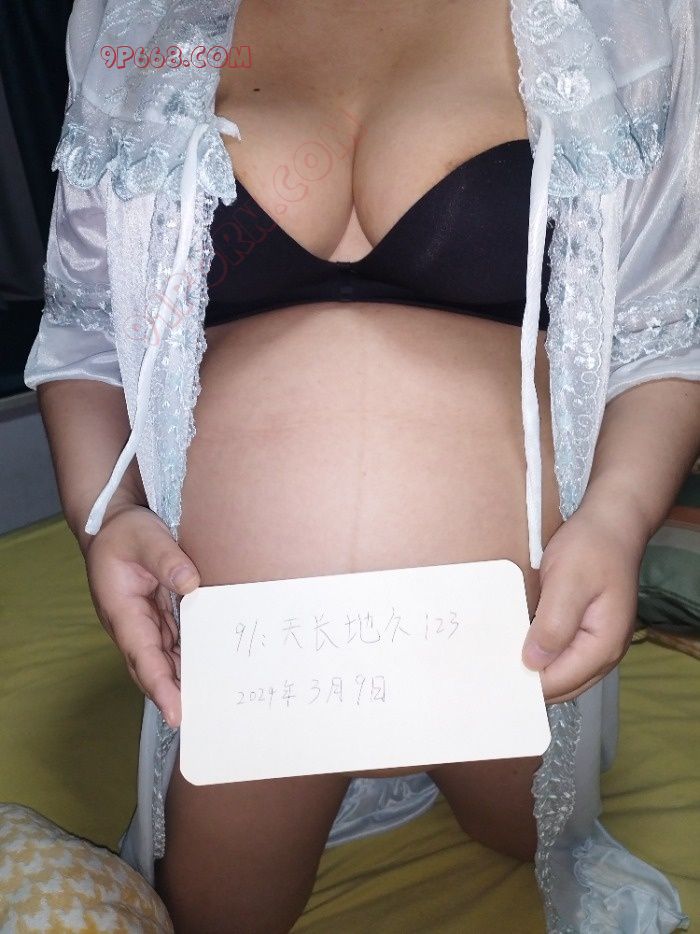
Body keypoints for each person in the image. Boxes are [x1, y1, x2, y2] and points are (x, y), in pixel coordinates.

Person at [23, 0, 699, 930]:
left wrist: (619, 517)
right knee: (216, 915)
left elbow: (664, 330)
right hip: (257, 660)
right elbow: (86, 328)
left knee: (523, 835)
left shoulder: (627, 16)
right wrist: (104, 516)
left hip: (508, 636)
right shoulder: (137, 18)